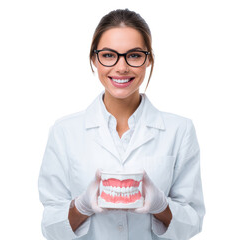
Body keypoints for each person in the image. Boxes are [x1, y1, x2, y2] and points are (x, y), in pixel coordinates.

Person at [38, 9, 205, 240]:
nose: (121, 67)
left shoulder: (180, 130)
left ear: (149, 59)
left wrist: (161, 207)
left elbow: (192, 222)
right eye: (108, 55)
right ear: (94, 59)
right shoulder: (64, 132)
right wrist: (81, 207)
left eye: (134, 55)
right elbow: (50, 226)